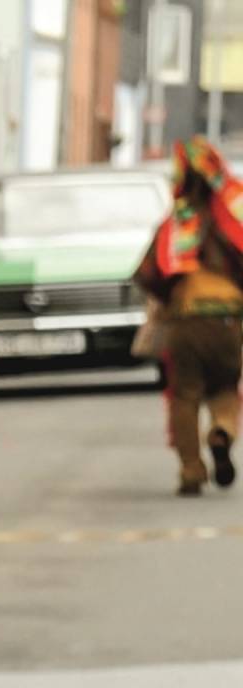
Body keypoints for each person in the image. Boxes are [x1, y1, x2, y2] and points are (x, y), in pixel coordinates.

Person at [136, 137, 243, 497]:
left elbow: (148, 273)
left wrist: (170, 297)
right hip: (229, 322)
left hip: (185, 322)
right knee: (226, 388)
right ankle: (222, 432)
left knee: (184, 396)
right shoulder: (234, 221)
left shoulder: (177, 224)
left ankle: (191, 470)